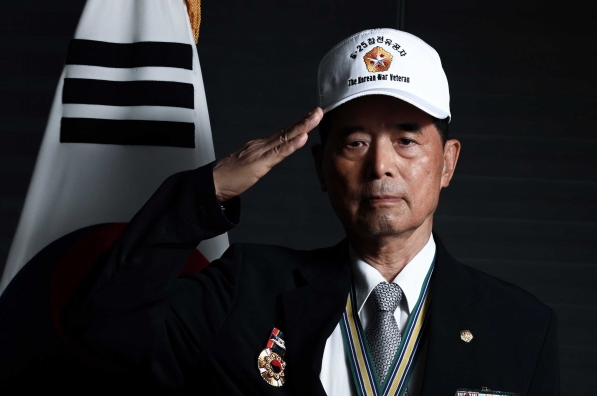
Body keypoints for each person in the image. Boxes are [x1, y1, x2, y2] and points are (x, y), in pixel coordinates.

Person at [58, 28, 559, 395]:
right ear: (320, 166)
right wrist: (206, 192)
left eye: (406, 140)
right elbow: (102, 334)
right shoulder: (246, 292)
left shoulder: (520, 328)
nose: (380, 165)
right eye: (355, 141)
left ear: (447, 163)